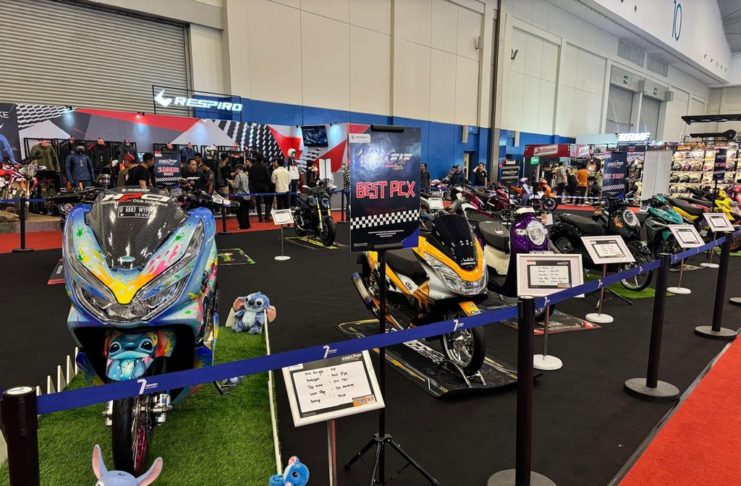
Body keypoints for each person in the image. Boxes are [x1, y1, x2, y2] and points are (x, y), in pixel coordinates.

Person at [248, 157, 271, 221]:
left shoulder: (253, 167)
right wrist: (267, 185)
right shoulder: (264, 166)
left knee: (258, 203)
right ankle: (267, 217)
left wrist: (252, 186)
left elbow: (250, 178)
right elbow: (268, 177)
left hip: (256, 187)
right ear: (262, 159)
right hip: (264, 186)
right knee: (267, 202)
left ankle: (260, 218)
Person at [229, 164, 251, 229]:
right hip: (247, 195)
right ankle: (247, 224)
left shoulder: (238, 176)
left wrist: (231, 183)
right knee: (246, 212)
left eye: (235, 169)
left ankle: (243, 225)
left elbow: (236, 186)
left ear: (238, 169)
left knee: (240, 212)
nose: (235, 171)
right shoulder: (246, 175)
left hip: (240, 196)